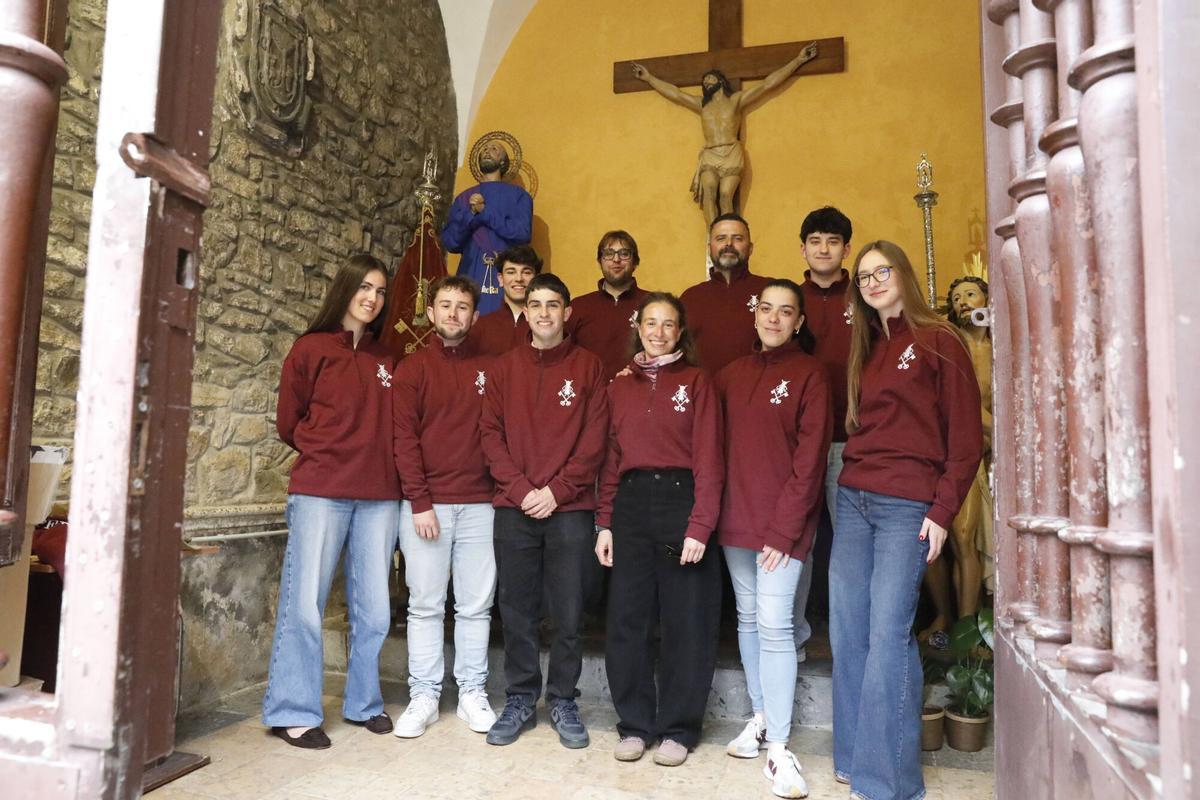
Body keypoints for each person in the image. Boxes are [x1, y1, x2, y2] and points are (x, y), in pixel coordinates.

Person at [830, 241, 982, 800]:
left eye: (881, 271)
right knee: (849, 633)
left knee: (889, 636)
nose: (872, 281)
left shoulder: (940, 341)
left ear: (904, 275)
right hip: (854, 501)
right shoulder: (866, 348)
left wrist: (941, 511)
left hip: (906, 508)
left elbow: (965, 443)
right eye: (864, 276)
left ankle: (888, 783)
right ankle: (850, 757)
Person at [262, 254, 400, 749]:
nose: (372, 298)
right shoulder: (311, 349)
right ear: (344, 290)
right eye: (364, 287)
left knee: (376, 610)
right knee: (305, 605)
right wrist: (327, 451)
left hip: (380, 496)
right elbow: (288, 422)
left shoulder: (389, 359)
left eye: (380, 291)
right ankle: (293, 710)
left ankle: (363, 704)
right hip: (321, 492)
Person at [479, 273, 609, 749]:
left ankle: (562, 699)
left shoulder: (589, 367)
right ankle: (519, 698)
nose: (544, 313)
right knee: (516, 608)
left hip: (570, 507)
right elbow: (489, 435)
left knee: (569, 611)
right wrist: (520, 488)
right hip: (514, 507)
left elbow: (594, 440)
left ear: (567, 312)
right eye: (536, 305)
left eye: (554, 305)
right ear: (526, 310)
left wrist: (556, 491)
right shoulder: (503, 368)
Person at [594, 293, 724, 767]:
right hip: (630, 504)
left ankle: (677, 729)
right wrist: (603, 521)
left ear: (680, 332)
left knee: (685, 621)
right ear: (638, 327)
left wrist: (700, 524)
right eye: (651, 323)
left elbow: (711, 457)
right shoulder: (619, 386)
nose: (659, 331)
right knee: (627, 620)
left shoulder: (697, 381)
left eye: (669, 324)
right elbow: (610, 458)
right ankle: (634, 725)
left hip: (681, 499)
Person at [717, 279, 832, 799]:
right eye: (767, 309)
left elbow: (809, 465)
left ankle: (780, 748)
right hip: (735, 519)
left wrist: (785, 531)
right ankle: (761, 716)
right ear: (755, 313)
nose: (774, 318)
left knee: (776, 625)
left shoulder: (810, 375)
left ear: (799, 322)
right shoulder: (730, 375)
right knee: (747, 619)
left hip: (782, 526)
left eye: (786, 312)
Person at [391, 276, 498, 739]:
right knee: (425, 605)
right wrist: (419, 501)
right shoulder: (412, 369)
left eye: (462, 307)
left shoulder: (492, 369)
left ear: (474, 317)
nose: (453, 313)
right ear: (430, 313)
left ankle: (472, 692)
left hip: (480, 505)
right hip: (425, 507)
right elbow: (403, 440)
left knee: (476, 606)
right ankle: (424, 696)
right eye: (445, 305)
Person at [631, 43, 819, 223]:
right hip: (710, 154)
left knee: (726, 195)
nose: (706, 82)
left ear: (720, 81)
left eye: (710, 78)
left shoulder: (736, 100)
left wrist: (798, 60)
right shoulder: (702, 105)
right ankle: (713, 237)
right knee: (709, 191)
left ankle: (727, 235)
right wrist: (649, 78)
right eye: (704, 81)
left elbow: (767, 85)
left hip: (731, 151)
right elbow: (676, 94)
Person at [792, 205, 854, 662]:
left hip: (852, 440)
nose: (824, 249)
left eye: (833, 241)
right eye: (816, 241)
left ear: (846, 248)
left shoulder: (866, 298)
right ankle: (792, 631)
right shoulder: (790, 301)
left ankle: (848, 634)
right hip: (798, 444)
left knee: (850, 542)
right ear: (803, 249)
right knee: (799, 539)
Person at [441, 138, 533, 314]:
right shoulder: (464, 198)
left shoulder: (519, 196)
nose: (487, 151)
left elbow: (523, 233)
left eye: (494, 149)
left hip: (507, 270)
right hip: (471, 269)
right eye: (484, 149)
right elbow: (451, 242)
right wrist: (471, 214)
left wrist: (485, 212)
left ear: (503, 161)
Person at [680, 213, 771, 374]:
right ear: (709, 249)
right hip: (703, 396)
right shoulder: (690, 297)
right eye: (721, 238)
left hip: (759, 394)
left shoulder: (770, 291)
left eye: (737, 238)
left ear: (750, 248)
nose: (729, 244)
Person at [568, 230, 650, 380]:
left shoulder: (652, 304)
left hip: (640, 395)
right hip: (589, 397)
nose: (616, 259)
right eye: (608, 253)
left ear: (635, 262)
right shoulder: (578, 307)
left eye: (624, 253)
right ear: (600, 261)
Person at [470, 245, 540, 357]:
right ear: (500, 279)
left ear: (536, 279)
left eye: (526, 272)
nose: (519, 279)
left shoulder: (547, 325)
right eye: (511, 272)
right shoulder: (480, 327)